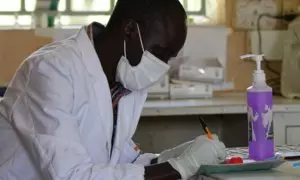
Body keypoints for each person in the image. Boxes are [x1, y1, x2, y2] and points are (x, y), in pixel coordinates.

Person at [0, 0, 226, 179]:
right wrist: (181, 167)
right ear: (129, 29)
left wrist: (168, 158)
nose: (162, 66)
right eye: (158, 53)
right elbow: (72, 175)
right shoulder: (51, 70)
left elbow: (117, 162)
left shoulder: (127, 76)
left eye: (169, 58)